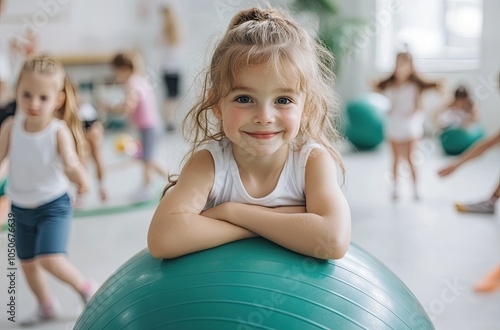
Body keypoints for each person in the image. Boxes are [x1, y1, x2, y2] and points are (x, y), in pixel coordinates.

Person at [147, 7, 351, 260]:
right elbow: (163, 238)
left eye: (283, 100)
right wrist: (281, 220)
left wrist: (233, 212)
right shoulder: (209, 164)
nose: (264, 116)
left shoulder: (311, 161)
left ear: (306, 108)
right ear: (216, 104)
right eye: (244, 98)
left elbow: (332, 240)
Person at [0, 55, 99, 325]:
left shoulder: (58, 131)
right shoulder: (10, 127)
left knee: (49, 259)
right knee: (28, 263)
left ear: (58, 100)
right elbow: (1, 161)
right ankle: (46, 305)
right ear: (17, 91)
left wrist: (80, 177)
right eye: (26, 94)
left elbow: (69, 162)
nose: (33, 103)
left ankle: (86, 288)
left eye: (42, 98)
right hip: (20, 208)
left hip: (53, 205)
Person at [374, 52, 441, 200]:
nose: (400, 68)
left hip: (411, 124)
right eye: (398, 64)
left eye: (403, 64)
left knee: (410, 157)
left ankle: (416, 187)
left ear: (410, 67)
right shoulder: (391, 84)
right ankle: (395, 187)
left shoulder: (415, 85)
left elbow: (420, 103)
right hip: (395, 123)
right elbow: (379, 90)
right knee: (396, 158)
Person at [101, 51, 168, 201]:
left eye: (116, 71)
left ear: (123, 68)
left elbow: (128, 107)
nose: (116, 74)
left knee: (147, 161)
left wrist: (108, 108)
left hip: (149, 128)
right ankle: (171, 182)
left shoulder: (132, 82)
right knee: (148, 158)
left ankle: (147, 189)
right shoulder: (139, 79)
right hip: (151, 126)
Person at [76, 83, 107, 202]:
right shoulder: (82, 108)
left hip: (89, 131)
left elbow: (96, 125)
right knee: (83, 162)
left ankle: (100, 187)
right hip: (84, 132)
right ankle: (83, 192)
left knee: (93, 159)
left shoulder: (85, 108)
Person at [159, 4, 183, 132]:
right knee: (172, 96)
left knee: (170, 96)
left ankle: (170, 121)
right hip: (174, 68)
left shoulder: (166, 32)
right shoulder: (175, 31)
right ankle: (170, 121)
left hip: (168, 68)